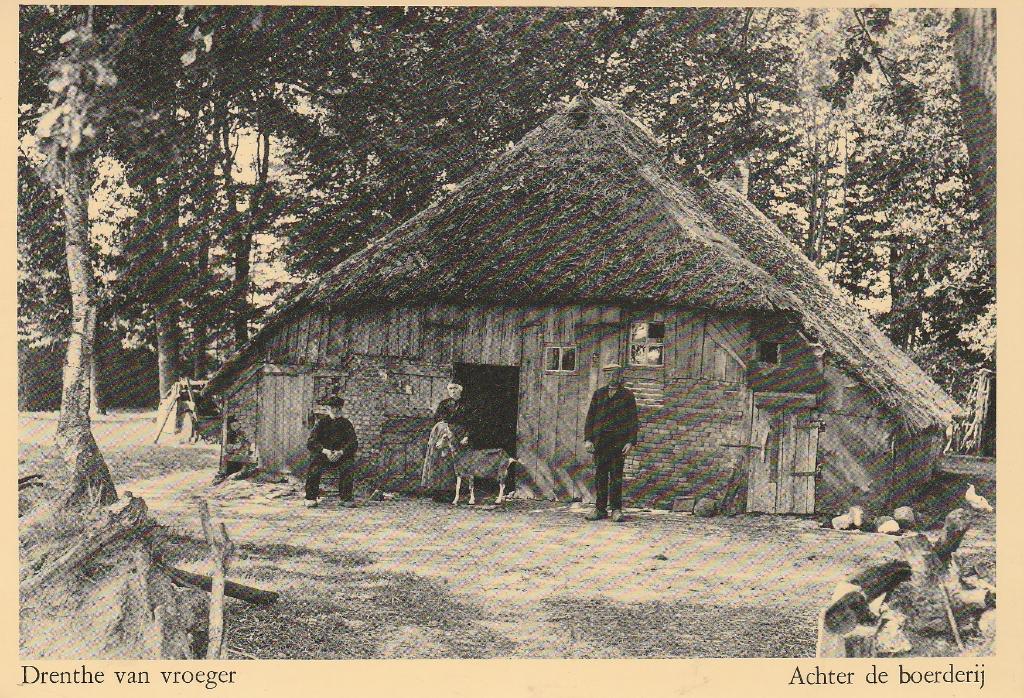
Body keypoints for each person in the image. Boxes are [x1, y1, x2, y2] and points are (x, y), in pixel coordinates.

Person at [583, 363, 639, 523]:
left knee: (616, 477)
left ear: (619, 376)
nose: (611, 377)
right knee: (600, 476)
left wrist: (630, 442)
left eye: (614, 374)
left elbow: (633, 420)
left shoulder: (627, 395)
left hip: (618, 444)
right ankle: (600, 509)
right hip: (600, 443)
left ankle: (616, 509)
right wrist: (588, 439)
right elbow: (590, 418)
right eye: (607, 374)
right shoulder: (599, 394)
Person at [304, 395, 358, 509]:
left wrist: (341, 452)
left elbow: (353, 443)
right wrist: (325, 451)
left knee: (348, 466)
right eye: (332, 407)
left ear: (341, 408)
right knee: (314, 467)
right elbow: (311, 442)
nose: (335, 410)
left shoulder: (346, 424)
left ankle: (345, 498)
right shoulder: (321, 423)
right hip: (324, 455)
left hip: (340, 456)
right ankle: (311, 497)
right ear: (328, 409)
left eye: (337, 407)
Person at [422, 382, 472, 495]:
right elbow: (438, 418)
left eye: (455, 388)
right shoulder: (444, 404)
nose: (453, 391)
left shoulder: (467, 404)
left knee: (455, 461)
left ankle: (457, 491)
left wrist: (467, 436)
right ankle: (439, 490)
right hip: (442, 433)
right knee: (441, 460)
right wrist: (444, 432)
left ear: (460, 389)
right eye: (450, 389)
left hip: (460, 434)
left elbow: (471, 422)